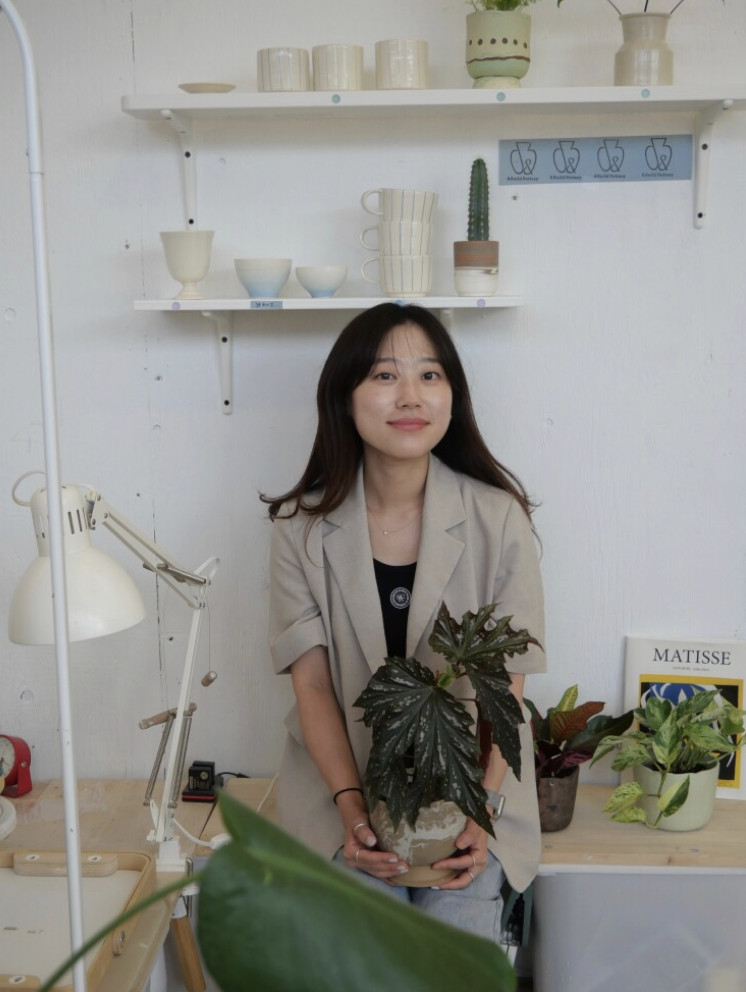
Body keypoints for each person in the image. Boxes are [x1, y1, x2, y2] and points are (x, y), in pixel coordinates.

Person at [262, 302, 545, 942]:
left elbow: (510, 688)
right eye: (385, 376)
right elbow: (311, 687)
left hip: (476, 786)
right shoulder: (299, 531)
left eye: (431, 375)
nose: (410, 396)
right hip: (344, 789)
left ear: (453, 396)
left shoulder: (499, 519)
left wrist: (486, 810)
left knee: (455, 952)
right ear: (346, 396)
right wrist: (351, 810)